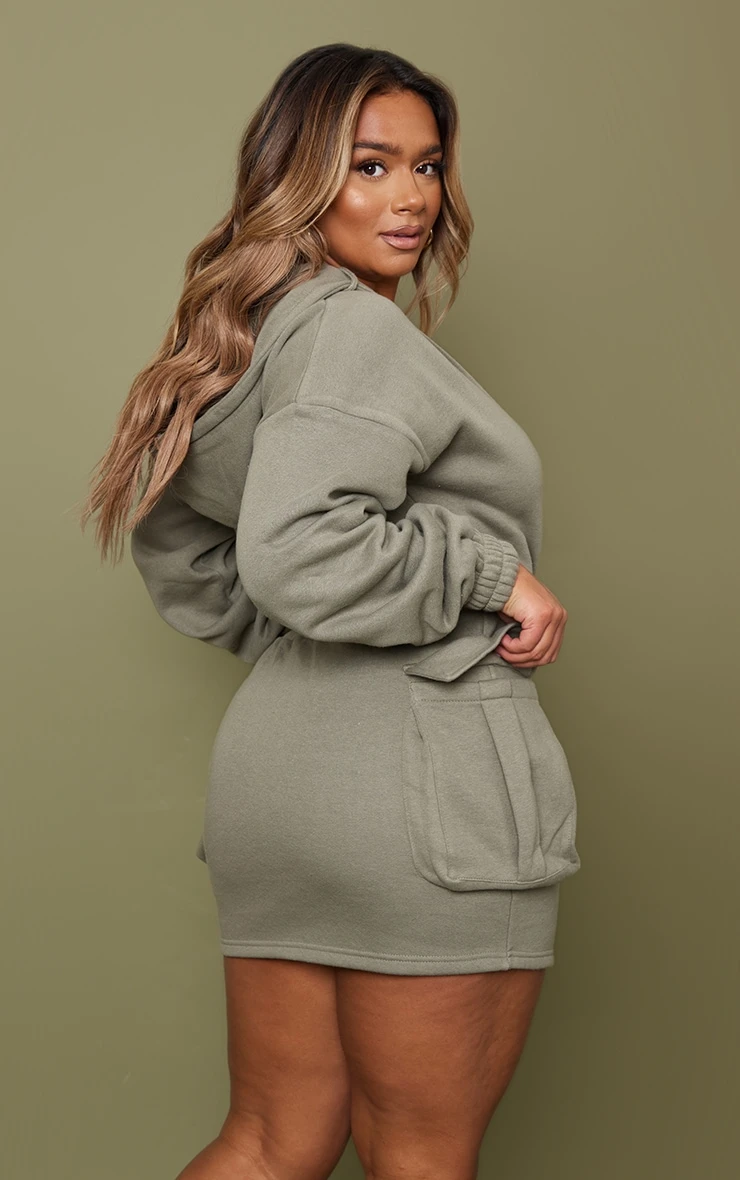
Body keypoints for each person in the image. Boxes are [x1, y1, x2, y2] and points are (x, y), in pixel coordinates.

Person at [79, 41, 581, 1180]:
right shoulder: (355, 330)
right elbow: (298, 546)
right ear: (299, 175)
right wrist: (487, 575)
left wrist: (312, 636)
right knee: (420, 1157)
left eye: (426, 165)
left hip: (281, 781)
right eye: (369, 165)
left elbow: (187, 550)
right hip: (426, 791)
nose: (410, 199)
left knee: (268, 1142)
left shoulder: (249, 334)